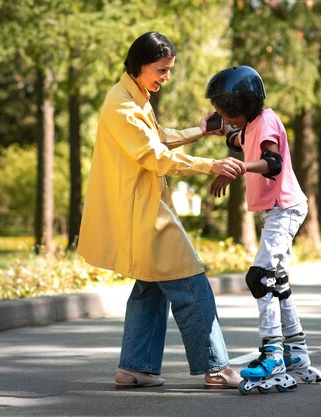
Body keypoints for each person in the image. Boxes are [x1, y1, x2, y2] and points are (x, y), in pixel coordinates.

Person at [77, 32, 246, 389]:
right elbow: (154, 156)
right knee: (191, 281)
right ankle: (215, 367)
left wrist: (199, 131)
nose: (166, 77)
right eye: (161, 70)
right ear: (139, 64)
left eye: (169, 70)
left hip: (145, 211)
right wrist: (209, 164)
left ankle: (135, 367)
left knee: (150, 288)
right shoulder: (122, 106)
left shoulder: (134, 97)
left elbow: (158, 137)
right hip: (145, 216)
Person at [205, 65, 321, 395]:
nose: (225, 118)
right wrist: (207, 127)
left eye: (227, 111)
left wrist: (241, 167)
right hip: (275, 212)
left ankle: (272, 356)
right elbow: (231, 137)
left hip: (285, 209)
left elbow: (274, 163)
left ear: (242, 105)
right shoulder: (249, 125)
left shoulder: (267, 121)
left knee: (260, 277)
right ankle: (297, 356)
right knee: (278, 281)